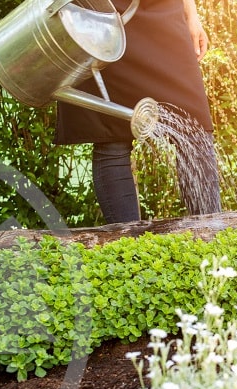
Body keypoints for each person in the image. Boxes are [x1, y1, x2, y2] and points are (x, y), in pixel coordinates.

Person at [55, 0, 222, 224]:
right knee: (112, 134)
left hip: (164, 9)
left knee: (194, 130)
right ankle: (128, 245)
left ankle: (211, 234)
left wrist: (191, 14)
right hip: (101, 10)